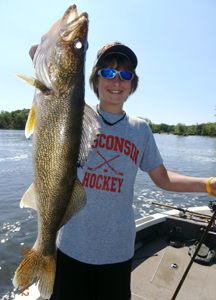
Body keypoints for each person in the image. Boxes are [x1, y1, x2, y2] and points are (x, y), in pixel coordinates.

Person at [30, 41, 216, 300]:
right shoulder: (74, 116)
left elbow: (163, 179)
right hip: (71, 246)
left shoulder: (140, 130)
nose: (116, 80)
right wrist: (52, 51)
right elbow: (38, 56)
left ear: (132, 84)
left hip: (117, 251)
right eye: (107, 72)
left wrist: (208, 185)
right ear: (94, 79)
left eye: (125, 74)